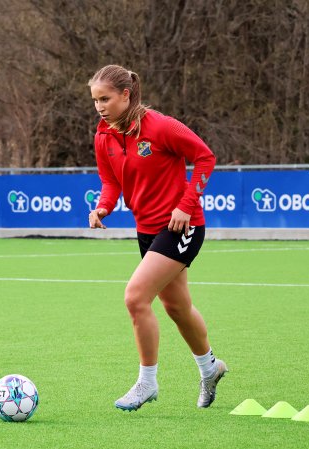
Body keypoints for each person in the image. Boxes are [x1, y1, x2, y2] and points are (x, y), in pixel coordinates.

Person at [87, 64, 227, 411]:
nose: (100, 107)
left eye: (105, 98)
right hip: (147, 230)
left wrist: (186, 204)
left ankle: (147, 383)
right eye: (94, 100)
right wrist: (103, 207)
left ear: (126, 94)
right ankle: (210, 368)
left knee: (135, 298)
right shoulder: (103, 135)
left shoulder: (160, 126)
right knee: (177, 307)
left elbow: (205, 157)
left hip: (182, 226)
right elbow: (111, 182)